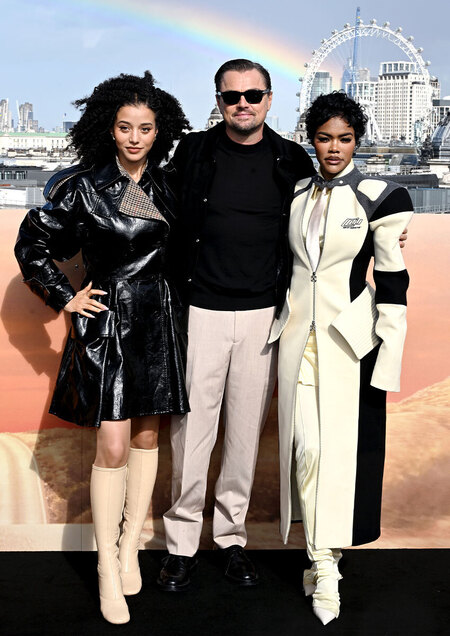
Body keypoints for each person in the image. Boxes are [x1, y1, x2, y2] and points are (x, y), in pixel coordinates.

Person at [14, 72, 190, 624]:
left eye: (145, 128)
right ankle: (107, 568)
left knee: (146, 438)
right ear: (108, 129)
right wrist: (64, 295)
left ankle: (131, 547)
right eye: (125, 127)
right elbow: (33, 243)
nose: (135, 137)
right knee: (111, 448)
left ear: (160, 131)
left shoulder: (169, 185)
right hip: (110, 323)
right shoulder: (82, 187)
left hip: (158, 320)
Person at [157, 59, 316, 591]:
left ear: (269, 99)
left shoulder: (292, 159)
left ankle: (230, 539)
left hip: (263, 317)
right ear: (218, 101)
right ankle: (181, 545)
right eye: (231, 96)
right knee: (190, 436)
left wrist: (384, 230)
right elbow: (149, 199)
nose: (242, 104)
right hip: (199, 310)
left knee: (245, 436)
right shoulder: (192, 152)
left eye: (252, 95)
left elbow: (330, 213)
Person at [271, 92, 413, 625]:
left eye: (345, 139)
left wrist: (389, 355)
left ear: (358, 141)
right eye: (325, 138)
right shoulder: (295, 192)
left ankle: (324, 565)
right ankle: (321, 557)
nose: (334, 148)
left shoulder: (383, 196)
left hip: (350, 345)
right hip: (295, 341)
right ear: (312, 139)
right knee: (306, 451)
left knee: (338, 457)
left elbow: (393, 281)